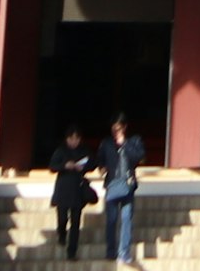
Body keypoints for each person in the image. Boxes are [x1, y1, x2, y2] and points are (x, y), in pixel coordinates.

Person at [100, 110, 144, 263]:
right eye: (114, 128)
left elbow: (139, 157)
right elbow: (101, 160)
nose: (116, 131)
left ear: (125, 127)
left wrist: (124, 143)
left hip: (127, 184)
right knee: (111, 219)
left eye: (119, 128)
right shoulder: (106, 143)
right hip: (112, 184)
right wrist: (102, 168)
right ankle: (110, 251)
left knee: (126, 218)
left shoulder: (134, 141)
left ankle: (124, 252)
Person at [49, 127, 97, 260]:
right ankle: (62, 234)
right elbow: (52, 166)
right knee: (62, 217)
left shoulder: (84, 151)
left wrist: (84, 167)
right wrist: (65, 165)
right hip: (63, 188)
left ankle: (72, 252)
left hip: (77, 188)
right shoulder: (61, 151)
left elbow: (93, 163)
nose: (74, 141)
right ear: (67, 139)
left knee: (75, 223)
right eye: (71, 138)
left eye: (76, 138)